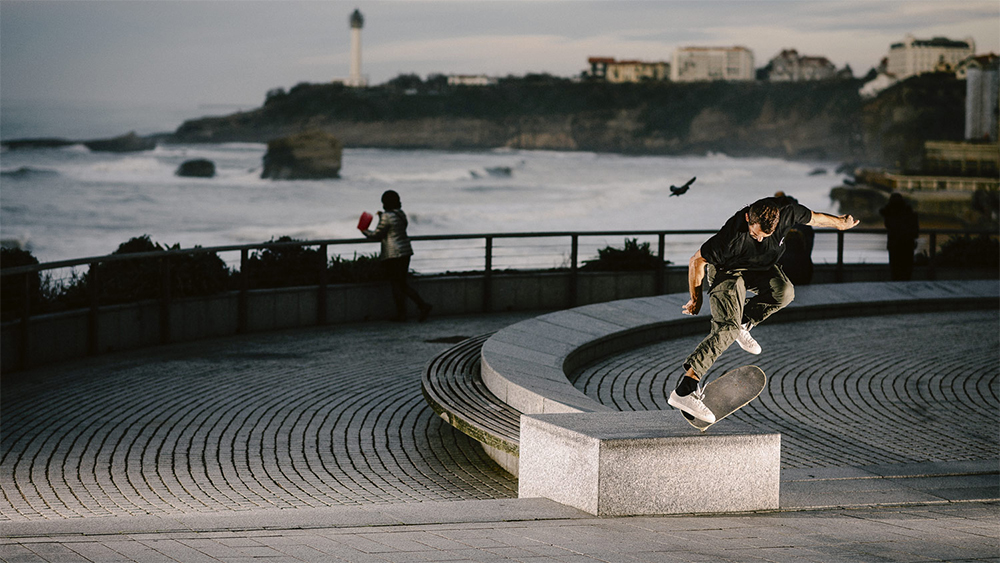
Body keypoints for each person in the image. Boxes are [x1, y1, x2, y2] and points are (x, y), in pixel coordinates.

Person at [668, 195, 859, 423]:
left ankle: (744, 322)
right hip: (727, 273)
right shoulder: (730, 237)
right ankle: (685, 390)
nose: (759, 239)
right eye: (755, 234)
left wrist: (839, 223)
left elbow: (815, 219)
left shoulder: (786, 213)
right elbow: (696, 261)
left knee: (785, 292)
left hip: (760, 269)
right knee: (726, 329)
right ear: (749, 218)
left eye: (765, 236)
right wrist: (695, 298)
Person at [361, 190, 432, 322]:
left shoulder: (386, 216)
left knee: (398, 284)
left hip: (393, 253)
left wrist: (363, 229)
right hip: (405, 251)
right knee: (401, 283)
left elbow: (377, 234)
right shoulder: (400, 214)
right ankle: (408, 311)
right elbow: (396, 228)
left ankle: (418, 307)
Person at [880, 193, 919, 281]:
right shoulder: (909, 213)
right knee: (907, 270)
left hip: (894, 244)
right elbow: (915, 231)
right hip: (908, 245)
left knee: (895, 270)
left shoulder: (890, 213)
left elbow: (883, 213)